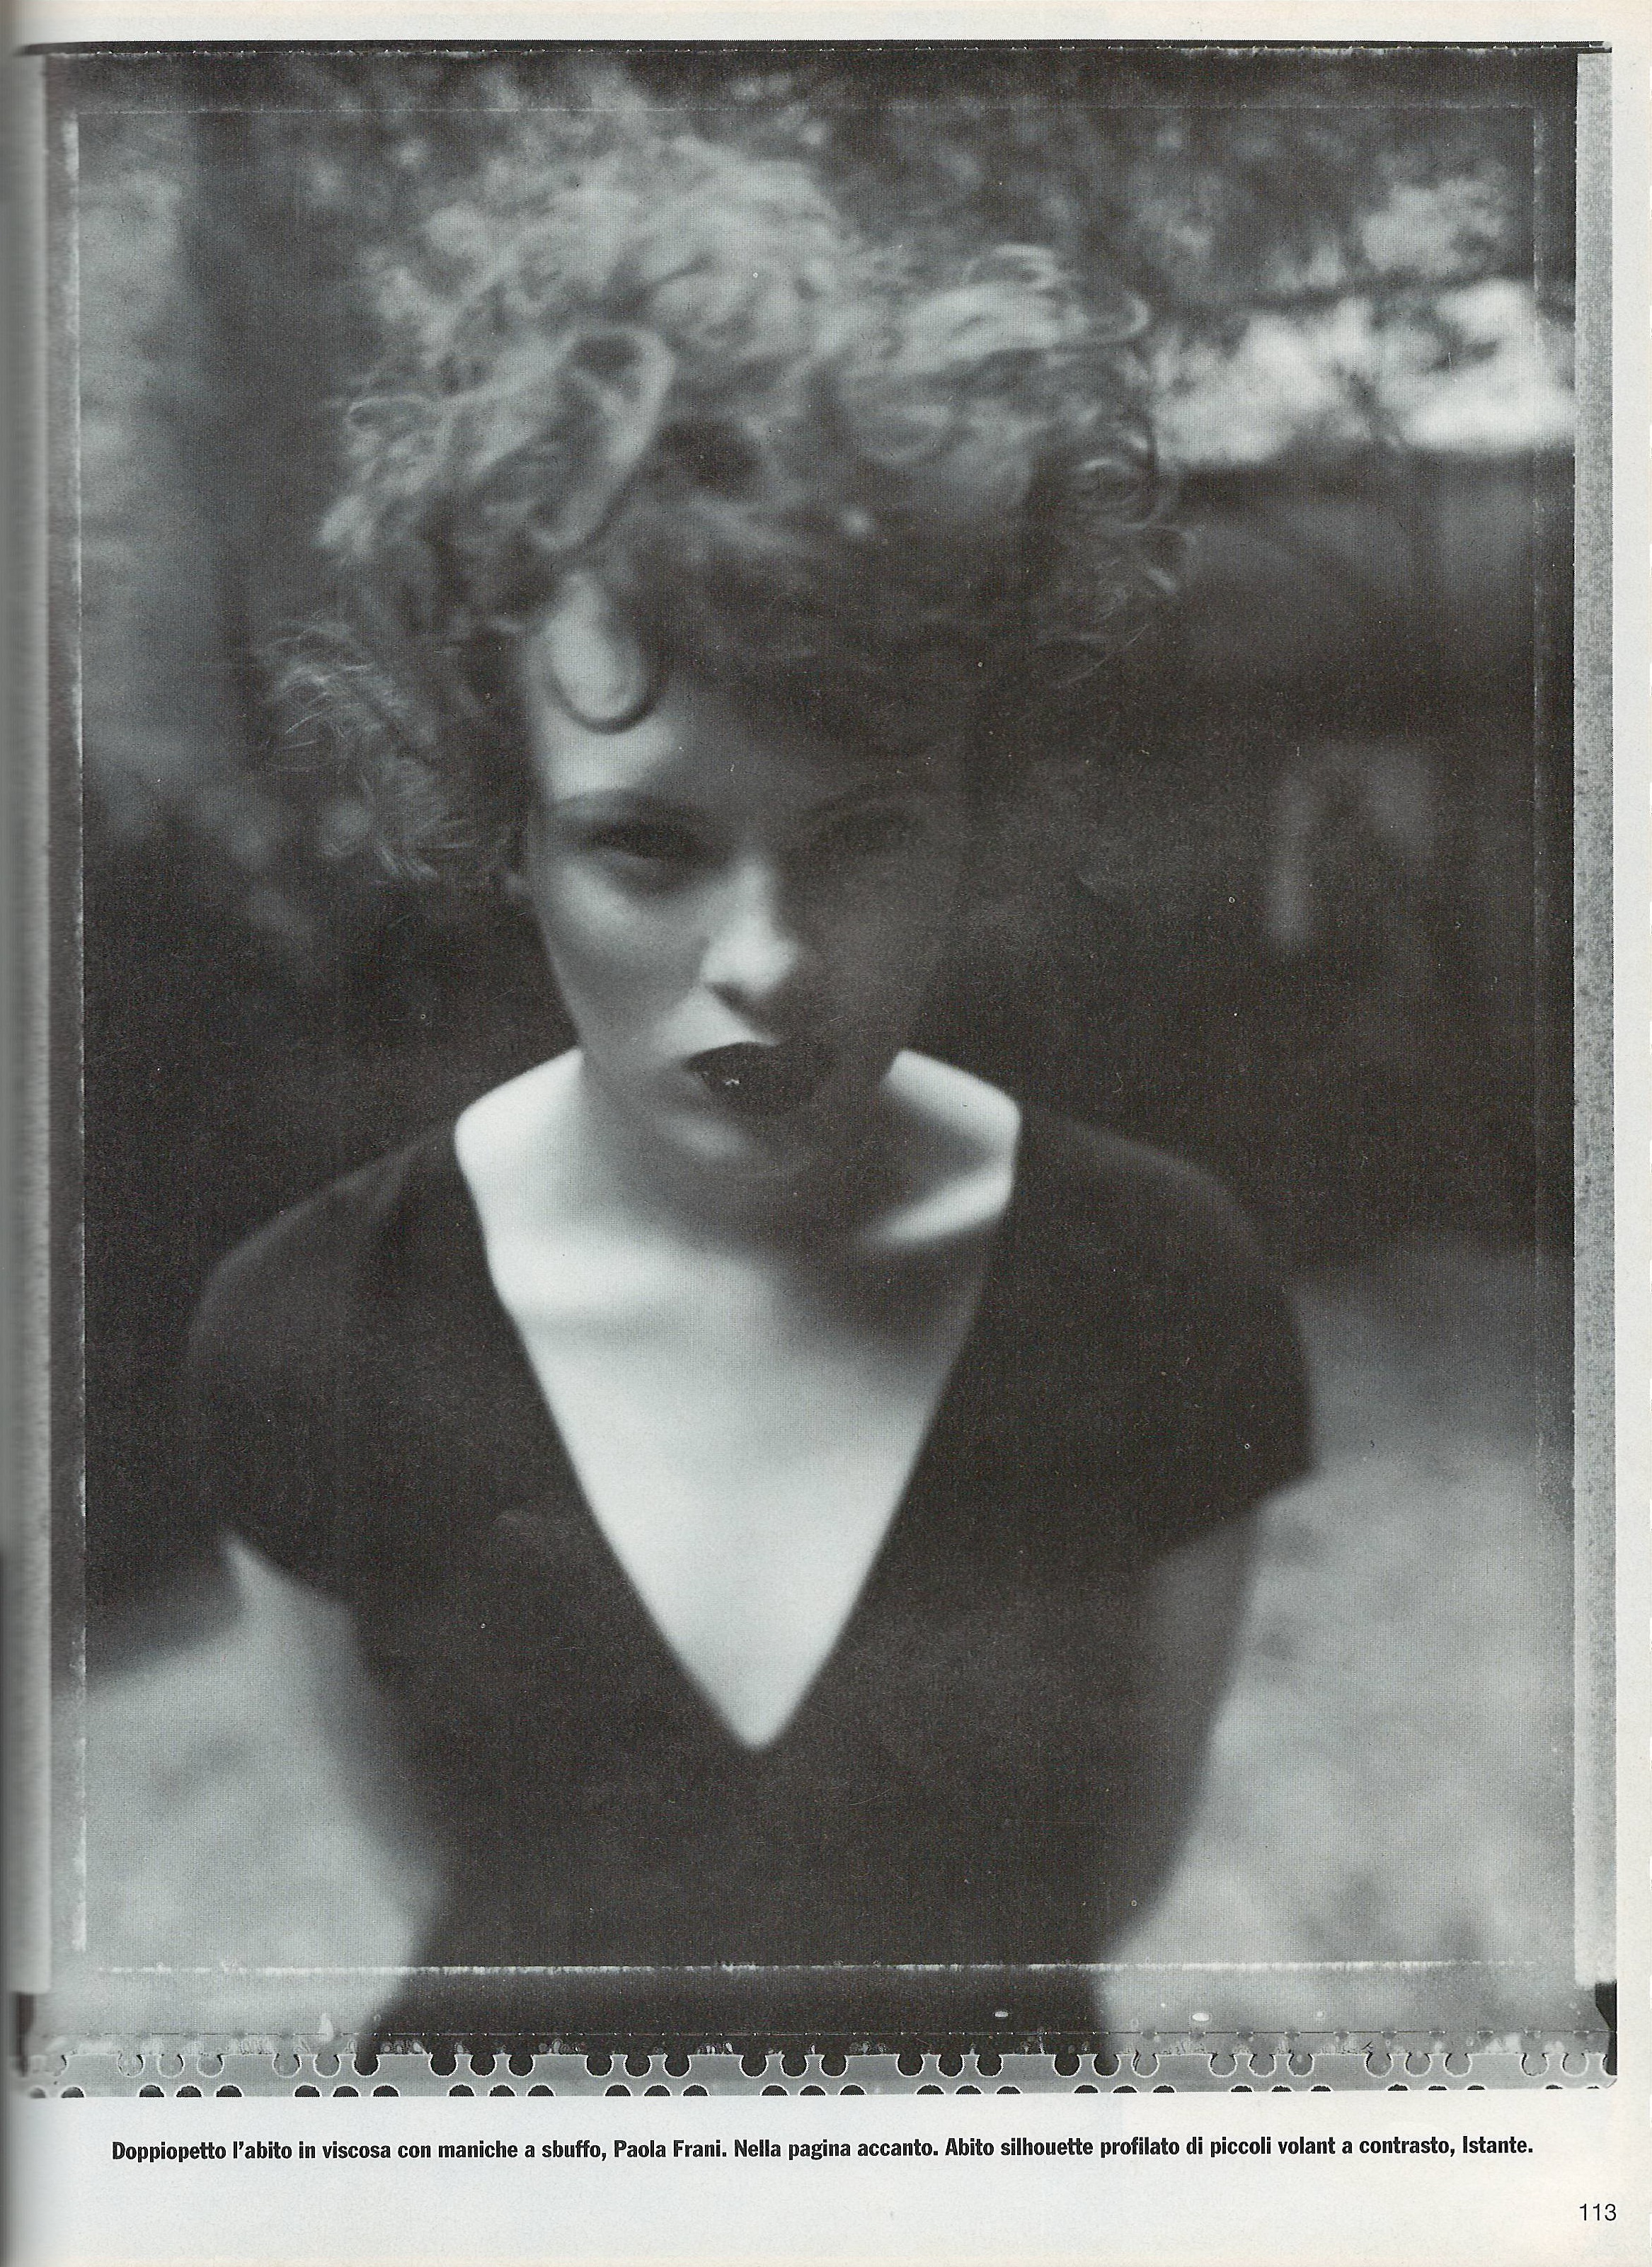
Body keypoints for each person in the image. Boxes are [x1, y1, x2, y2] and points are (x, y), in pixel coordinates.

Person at [185, 108, 1311, 2048]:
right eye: (648, 845)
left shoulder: (1159, 1288)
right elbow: (445, 1892)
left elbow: (1106, 1881)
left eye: (861, 836)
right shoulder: (308, 1330)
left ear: (975, 812)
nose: (768, 961)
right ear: (506, 825)